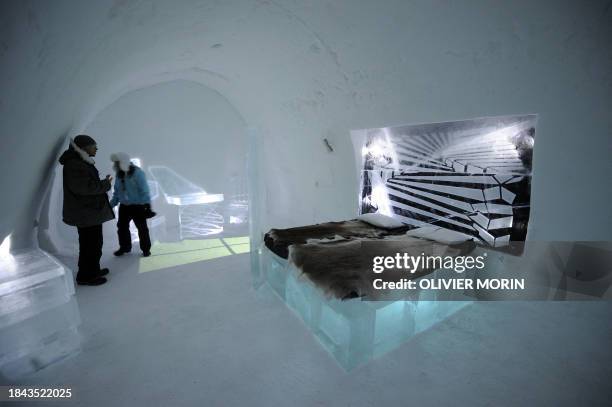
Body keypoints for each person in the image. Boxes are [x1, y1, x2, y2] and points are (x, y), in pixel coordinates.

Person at [58, 135, 114, 286]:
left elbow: (86, 185)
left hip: (89, 212)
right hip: (85, 213)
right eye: (93, 145)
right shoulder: (75, 164)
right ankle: (86, 276)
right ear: (83, 147)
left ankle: (92, 270)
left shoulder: (79, 162)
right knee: (90, 245)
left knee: (93, 243)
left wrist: (103, 184)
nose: (96, 148)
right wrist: (105, 185)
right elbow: (84, 188)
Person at [109, 152, 152, 257]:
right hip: (124, 207)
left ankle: (146, 249)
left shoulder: (138, 173)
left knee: (142, 228)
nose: (115, 165)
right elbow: (117, 192)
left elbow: (144, 190)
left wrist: (147, 205)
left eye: (117, 162)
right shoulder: (119, 174)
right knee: (122, 227)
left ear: (122, 162)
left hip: (138, 207)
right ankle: (125, 247)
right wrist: (111, 205)